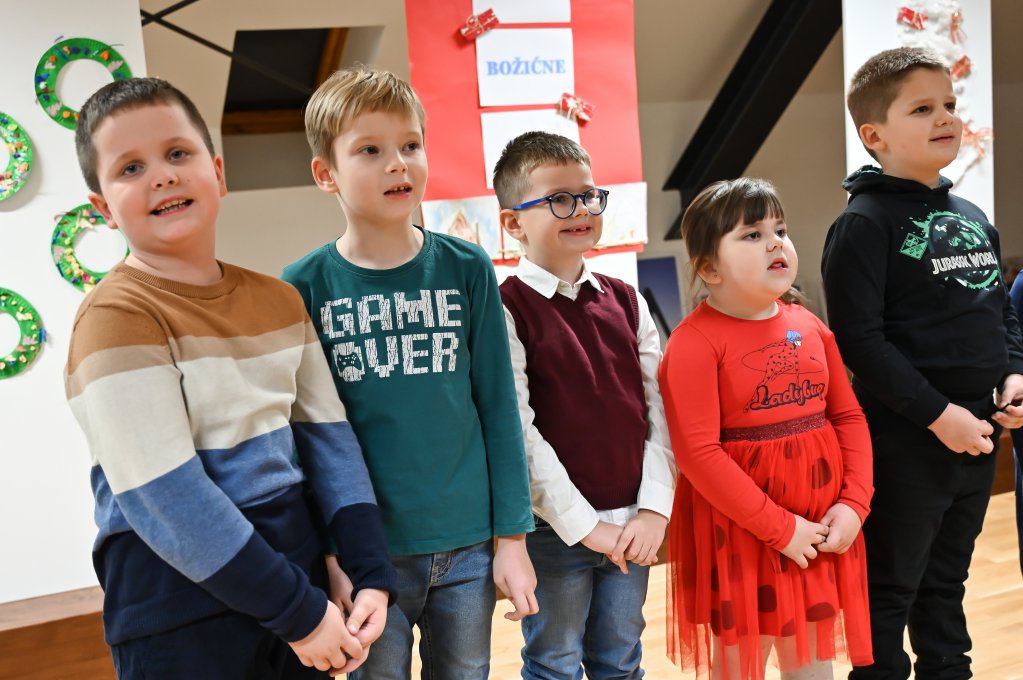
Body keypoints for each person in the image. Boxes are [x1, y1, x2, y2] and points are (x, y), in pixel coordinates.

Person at [65, 77, 396, 679]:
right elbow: (168, 499)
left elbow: (329, 441)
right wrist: (299, 615)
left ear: (217, 173)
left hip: (294, 579)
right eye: (131, 167)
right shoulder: (114, 317)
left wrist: (366, 568)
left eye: (177, 153)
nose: (162, 176)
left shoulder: (280, 300)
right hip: (179, 606)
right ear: (103, 208)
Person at [281, 65, 537, 680]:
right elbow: (306, 438)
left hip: (469, 545)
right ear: (325, 173)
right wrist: (331, 555)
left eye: (410, 145)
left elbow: (499, 407)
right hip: (368, 556)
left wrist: (513, 540)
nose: (398, 164)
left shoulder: (467, 267)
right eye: (370, 150)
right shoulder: (302, 286)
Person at [822, 46, 1023, 680]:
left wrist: (1014, 374)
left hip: (978, 438)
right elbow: (860, 342)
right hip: (908, 443)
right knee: (890, 589)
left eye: (950, 105)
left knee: (946, 583)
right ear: (874, 135)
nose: (946, 118)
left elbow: (999, 311)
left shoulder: (973, 217)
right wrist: (939, 416)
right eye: (922, 108)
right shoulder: (862, 224)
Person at [660, 178, 874, 679]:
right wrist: (780, 528)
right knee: (740, 664)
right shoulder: (693, 344)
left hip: (818, 528)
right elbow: (698, 455)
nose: (776, 242)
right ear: (709, 269)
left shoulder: (812, 326)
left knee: (814, 664)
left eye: (780, 229)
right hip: (740, 536)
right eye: (752, 235)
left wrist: (854, 503)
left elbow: (848, 417)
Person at [492, 131, 677, 679]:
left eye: (589, 196)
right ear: (513, 223)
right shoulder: (505, 309)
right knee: (554, 661)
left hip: (633, 520)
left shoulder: (627, 299)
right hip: (556, 530)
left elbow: (660, 410)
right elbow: (517, 429)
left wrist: (653, 510)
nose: (581, 210)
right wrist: (585, 526)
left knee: (621, 658)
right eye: (559, 199)